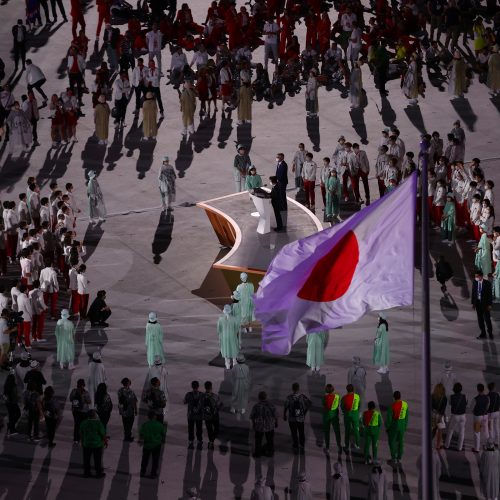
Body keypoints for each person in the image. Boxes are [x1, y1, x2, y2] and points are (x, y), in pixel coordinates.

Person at [284, 383, 311, 453]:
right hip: (300, 418)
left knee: (294, 433)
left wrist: (284, 415)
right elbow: (309, 403)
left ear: (292, 389)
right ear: (298, 389)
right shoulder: (302, 396)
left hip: (292, 419)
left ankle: (295, 447)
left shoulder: (289, 397)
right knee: (301, 433)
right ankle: (302, 447)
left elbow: (286, 407)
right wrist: (304, 412)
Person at [250, 391, 277, 458]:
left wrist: (254, 424)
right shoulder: (271, 405)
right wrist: (276, 423)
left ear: (259, 397)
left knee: (258, 440)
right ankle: (270, 453)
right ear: (266, 397)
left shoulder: (256, 406)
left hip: (259, 426)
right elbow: (275, 415)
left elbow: (252, 416)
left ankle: (257, 454)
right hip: (270, 426)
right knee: (270, 440)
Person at [139, 410, 166, 478]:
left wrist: (141, 441)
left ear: (148, 417)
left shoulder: (145, 425)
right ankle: (153, 473)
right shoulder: (159, 425)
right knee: (155, 460)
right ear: (154, 416)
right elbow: (163, 434)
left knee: (145, 459)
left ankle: (142, 472)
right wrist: (162, 441)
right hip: (156, 445)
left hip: (147, 445)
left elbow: (141, 434)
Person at [80, 409, 106, 478]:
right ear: (94, 415)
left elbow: (81, 433)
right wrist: (105, 441)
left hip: (87, 444)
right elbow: (103, 434)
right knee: (97, 460)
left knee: (86, 460)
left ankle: (86, 473)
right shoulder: (98, 423)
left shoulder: (83, 423)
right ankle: (98, 473)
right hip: (97, 444)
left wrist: (82, 442)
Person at [386, 391, 409, 465]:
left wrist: (388, 428)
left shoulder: (392, 406)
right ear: (400, 396)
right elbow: (407, 417)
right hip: (402, 425)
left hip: (394, 426)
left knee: (392, 442)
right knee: (400, 441)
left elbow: (389, 419)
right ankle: (399, 457)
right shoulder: (405, 405)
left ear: (394, 397)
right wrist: (405, 426)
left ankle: (394, 458)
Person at [445, 382, 467, 451]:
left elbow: (450, 403)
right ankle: (459, 447)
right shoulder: (464, 396)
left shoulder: (451, 397)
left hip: (455, 415)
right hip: (463, 416)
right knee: (462, 431)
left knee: (450, 430)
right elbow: (466, 403)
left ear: (454, 389)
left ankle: (447, 445)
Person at [471, 270, 493, 339]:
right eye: (475, 276)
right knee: (480, 319)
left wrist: (489, 304)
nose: (476, 278)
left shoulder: (487, 283)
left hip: (485, 304)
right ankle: (483, 333)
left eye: (477, 276)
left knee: (487, 319)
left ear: (481, 276)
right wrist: (473, 303)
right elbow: (473, 293)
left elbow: (490, 295)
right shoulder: (475, 282)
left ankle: (490, 333)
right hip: (478, 303)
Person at [217, 304, 239, 370]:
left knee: (226, 349)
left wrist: (221, 335)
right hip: (232, 336)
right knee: (233, 349)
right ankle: (234, 363)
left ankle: (227, 365)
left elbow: (218, 330)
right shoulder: (234, 319)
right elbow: (236, 329)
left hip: (224, 337)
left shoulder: (220, 319)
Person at [184, 380, 204, 450]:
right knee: (199, 429)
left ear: (192, 387)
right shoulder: (202, 395)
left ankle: (191, 442)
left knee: (191, 429)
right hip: (199, 416)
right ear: (198, 386)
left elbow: (185, 401)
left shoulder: (188, 394)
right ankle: (199, 442)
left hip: (191, 416)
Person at [202, 380, 222, 449]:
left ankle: (211, 442)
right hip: (215, 416)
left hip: (207, 417)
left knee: (209, 430)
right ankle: (211, 441)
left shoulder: (202, 397)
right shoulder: (215, 396)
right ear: (211, 387)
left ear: (205, 387)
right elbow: (220, 405)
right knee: (216, 429)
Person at [341, 384, 360, 452]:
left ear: (347, 390)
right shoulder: (357, 396)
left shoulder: (344, 397)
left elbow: (342, 407)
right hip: (355, 415)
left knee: (347, 431)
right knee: (356, 430)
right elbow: (359, 405)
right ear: (353, 389)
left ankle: (346, 446)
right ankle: (357, 445)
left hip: (347, 415)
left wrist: (344, 412)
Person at [117, 377, 138, 441]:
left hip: (123, 411)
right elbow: (134, 401)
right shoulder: (131, 392)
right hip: (129, 410)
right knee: (129, 423)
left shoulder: (119, 391)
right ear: (127, 383)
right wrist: (136, 410)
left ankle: (127, 435)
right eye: (129, 381)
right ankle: (127, 436)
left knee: (125, 423)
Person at [473, 383, 491, 452]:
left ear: (478, 389)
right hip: (485, 416)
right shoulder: (487, 397)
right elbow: (487, 406)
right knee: (486, 431)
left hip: (477, 417)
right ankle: (488, 445)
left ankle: (476, 448)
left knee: (477, 432)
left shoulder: (475, 399)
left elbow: (472, 408)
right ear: (483, 389)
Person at [431, 383, 447, 449]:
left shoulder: (432, 396)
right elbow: (443, 409)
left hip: (433, 416)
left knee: (433, 430)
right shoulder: (444, 398)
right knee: (440, 432)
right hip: (440, 416)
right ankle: (438, 445)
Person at [488, 382, 500, 447]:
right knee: (496, 427)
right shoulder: (497, 395)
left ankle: (491, 441)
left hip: (490, 414)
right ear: (494, 388)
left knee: (490, 428)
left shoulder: (488, 395)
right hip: (497, 413)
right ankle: (497, 442)